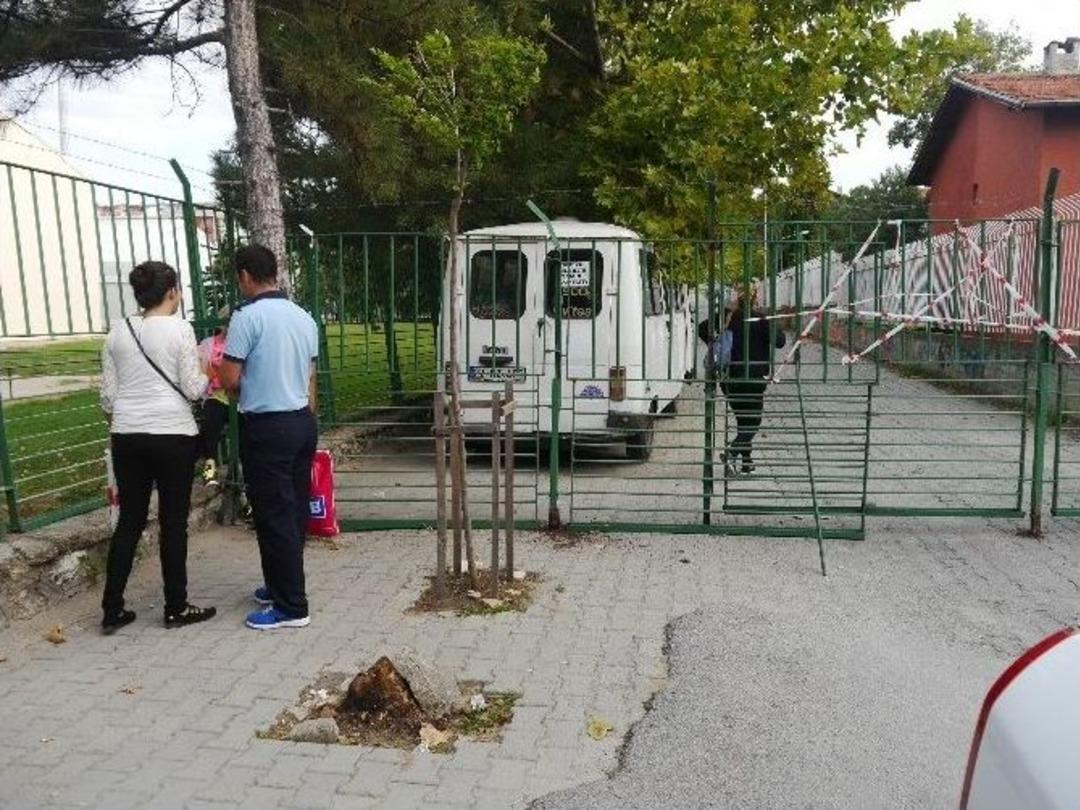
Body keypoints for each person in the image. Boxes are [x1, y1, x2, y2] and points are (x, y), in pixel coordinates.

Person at [99, 261, 217, 633]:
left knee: (130, 522)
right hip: (173, 435)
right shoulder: (180, 330)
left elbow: (108, 397)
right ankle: (175, 606)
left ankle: (112, 608)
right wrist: (208, 373)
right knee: (173, 522)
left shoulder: (117, 332)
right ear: (172, 292)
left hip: (127, 434)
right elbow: (194, 388)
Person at [219, 245, 319, 631]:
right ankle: (279, 585)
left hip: (266, 425)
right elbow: (310, 378)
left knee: (272, 513)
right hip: (300, 421)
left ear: (245, 275)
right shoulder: (303, 317)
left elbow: (228, 377)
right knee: (292, 511)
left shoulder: (247, 318)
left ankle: (292, 606)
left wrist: (239, 382)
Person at [721, 295, 786, 475]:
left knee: (743, 420)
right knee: (753, 423)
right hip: (752, 379)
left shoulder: (729, 319)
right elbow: (780, 342)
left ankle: (747, 462)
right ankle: (731, 452)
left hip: (729, 380)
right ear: (755, 303)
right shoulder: (761, 321)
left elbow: (705, 329)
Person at [197, 305, 232, 486]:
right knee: (211, 418)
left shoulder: (246, 342)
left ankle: (239, 467)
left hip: (239, 397)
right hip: (217, 395)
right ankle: (210, 463)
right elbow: (202, 370)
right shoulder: (208, 344)